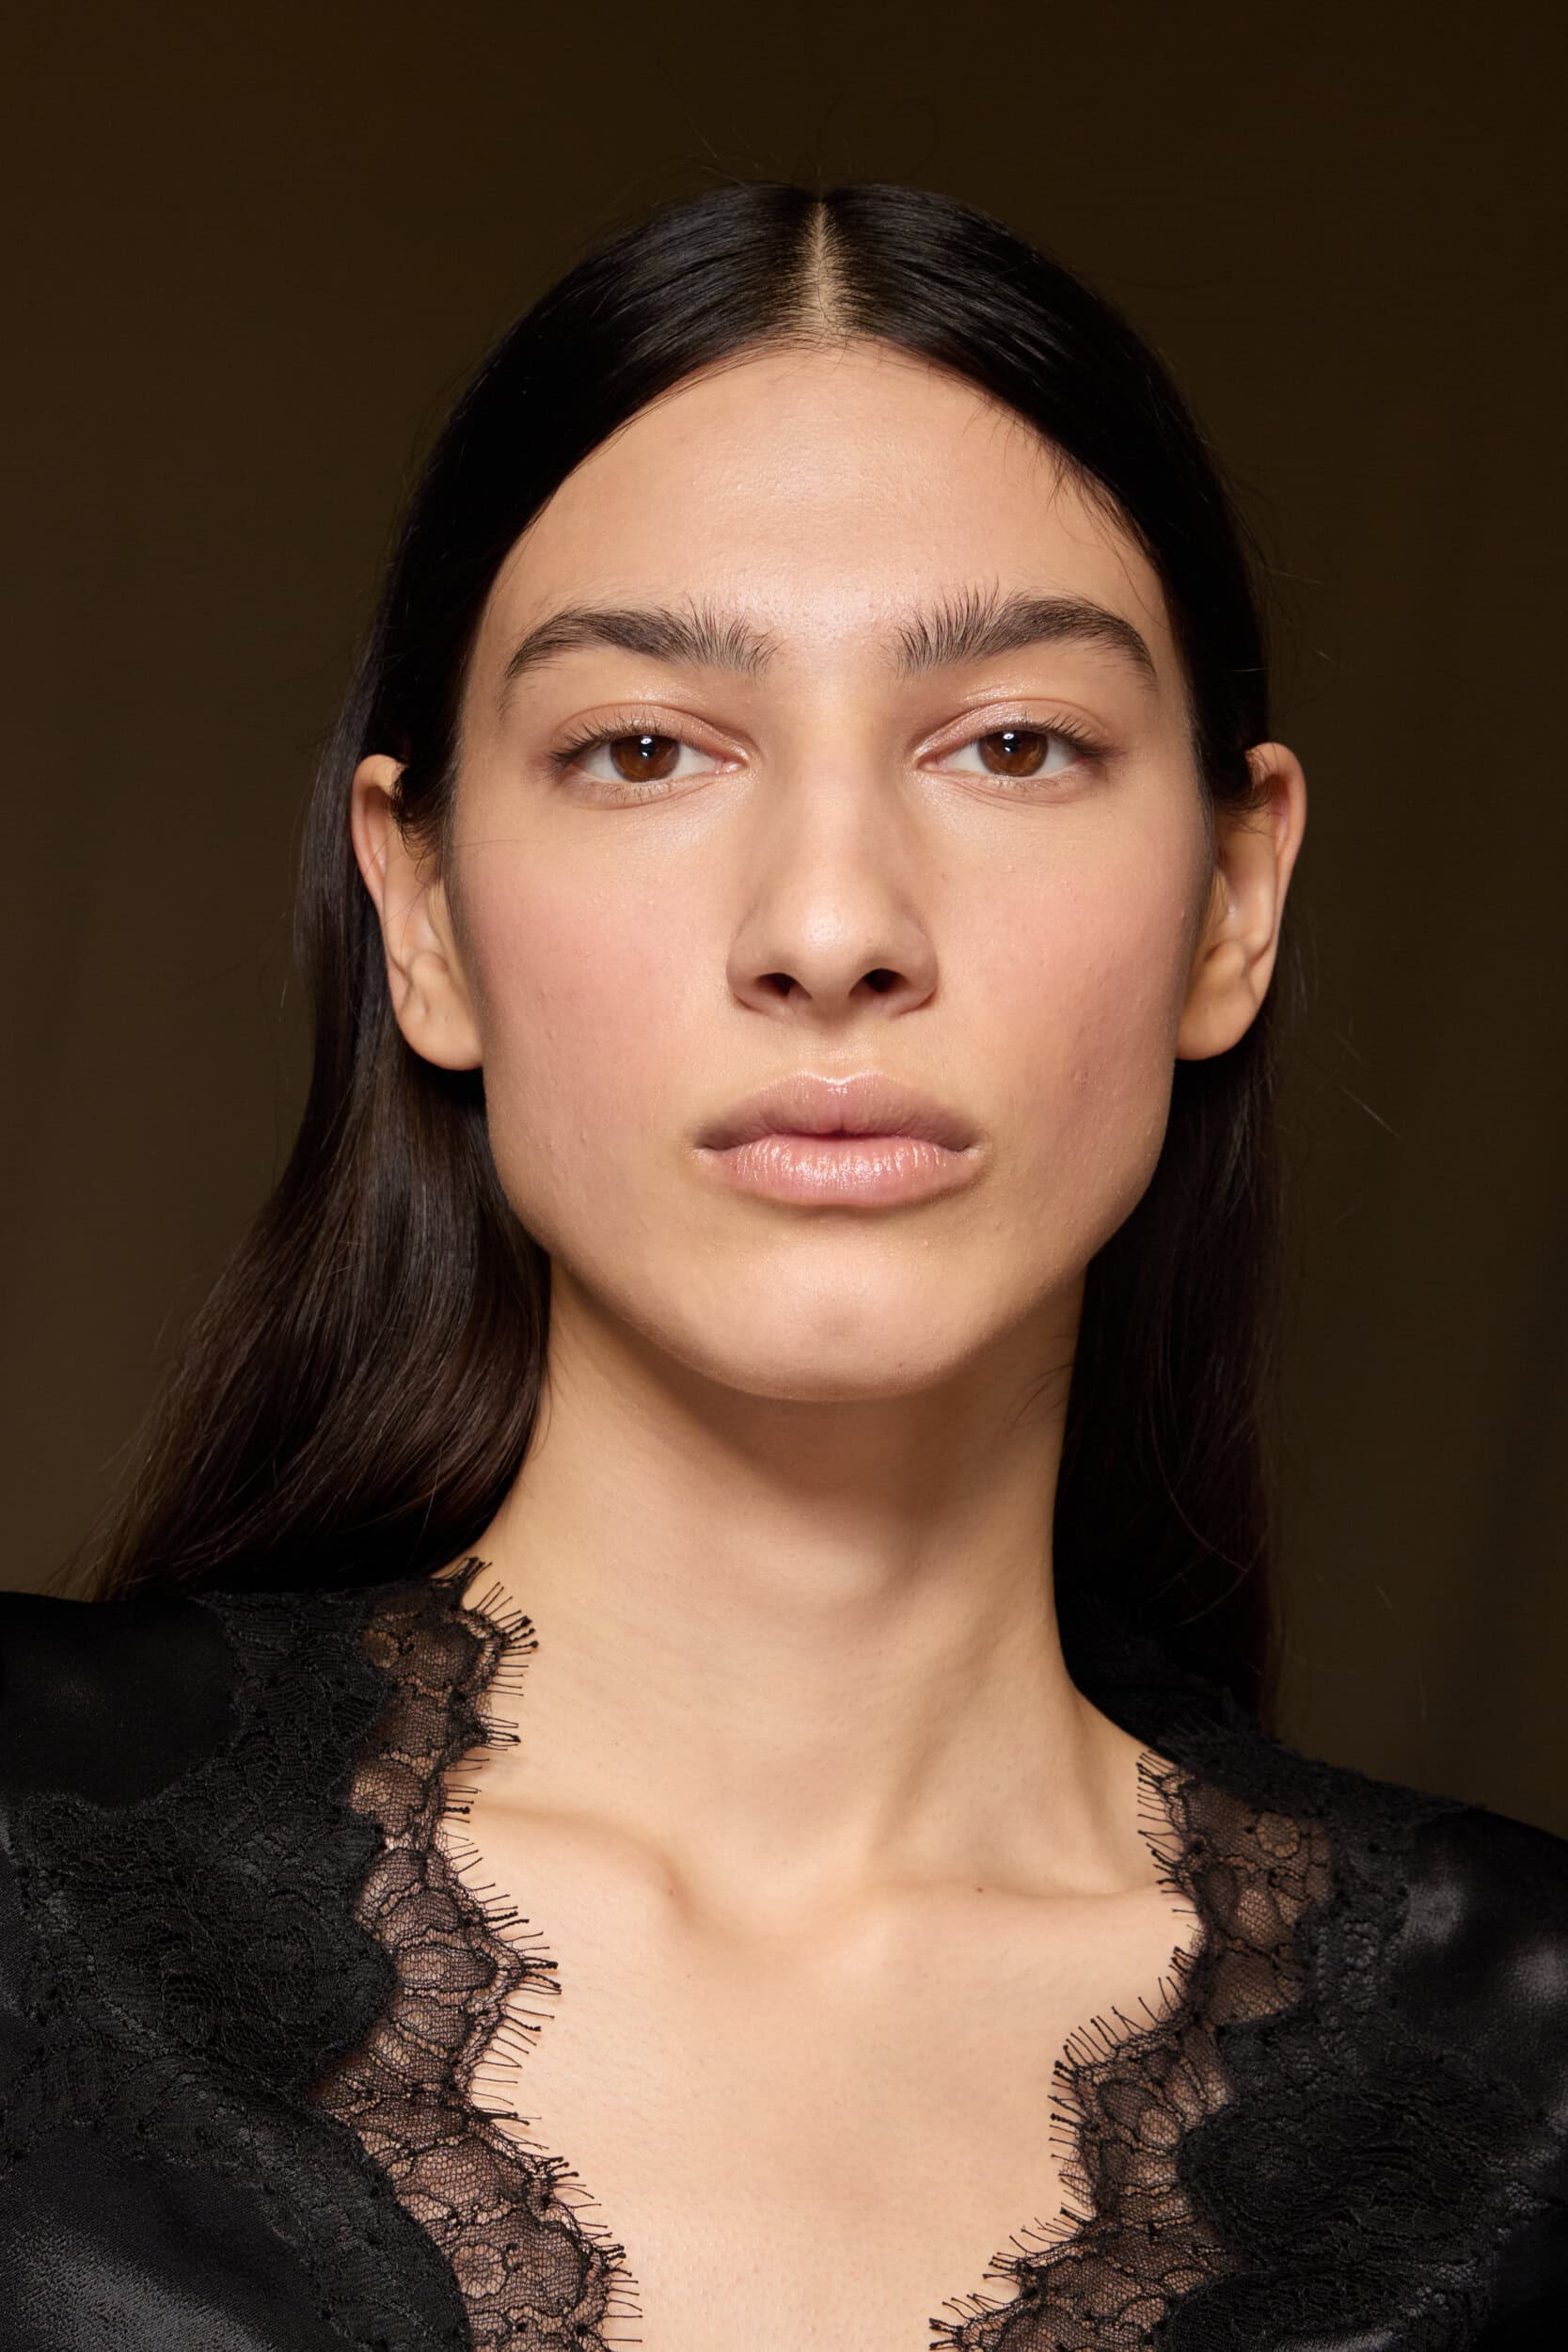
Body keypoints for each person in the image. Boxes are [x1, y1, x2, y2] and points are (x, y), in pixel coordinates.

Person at [1, 179, 1564, 2352]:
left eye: (1012, 744)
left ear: (1235, 901)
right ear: (423, 916)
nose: (833, 926)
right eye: (644, 747)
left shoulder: (1527, 2084)